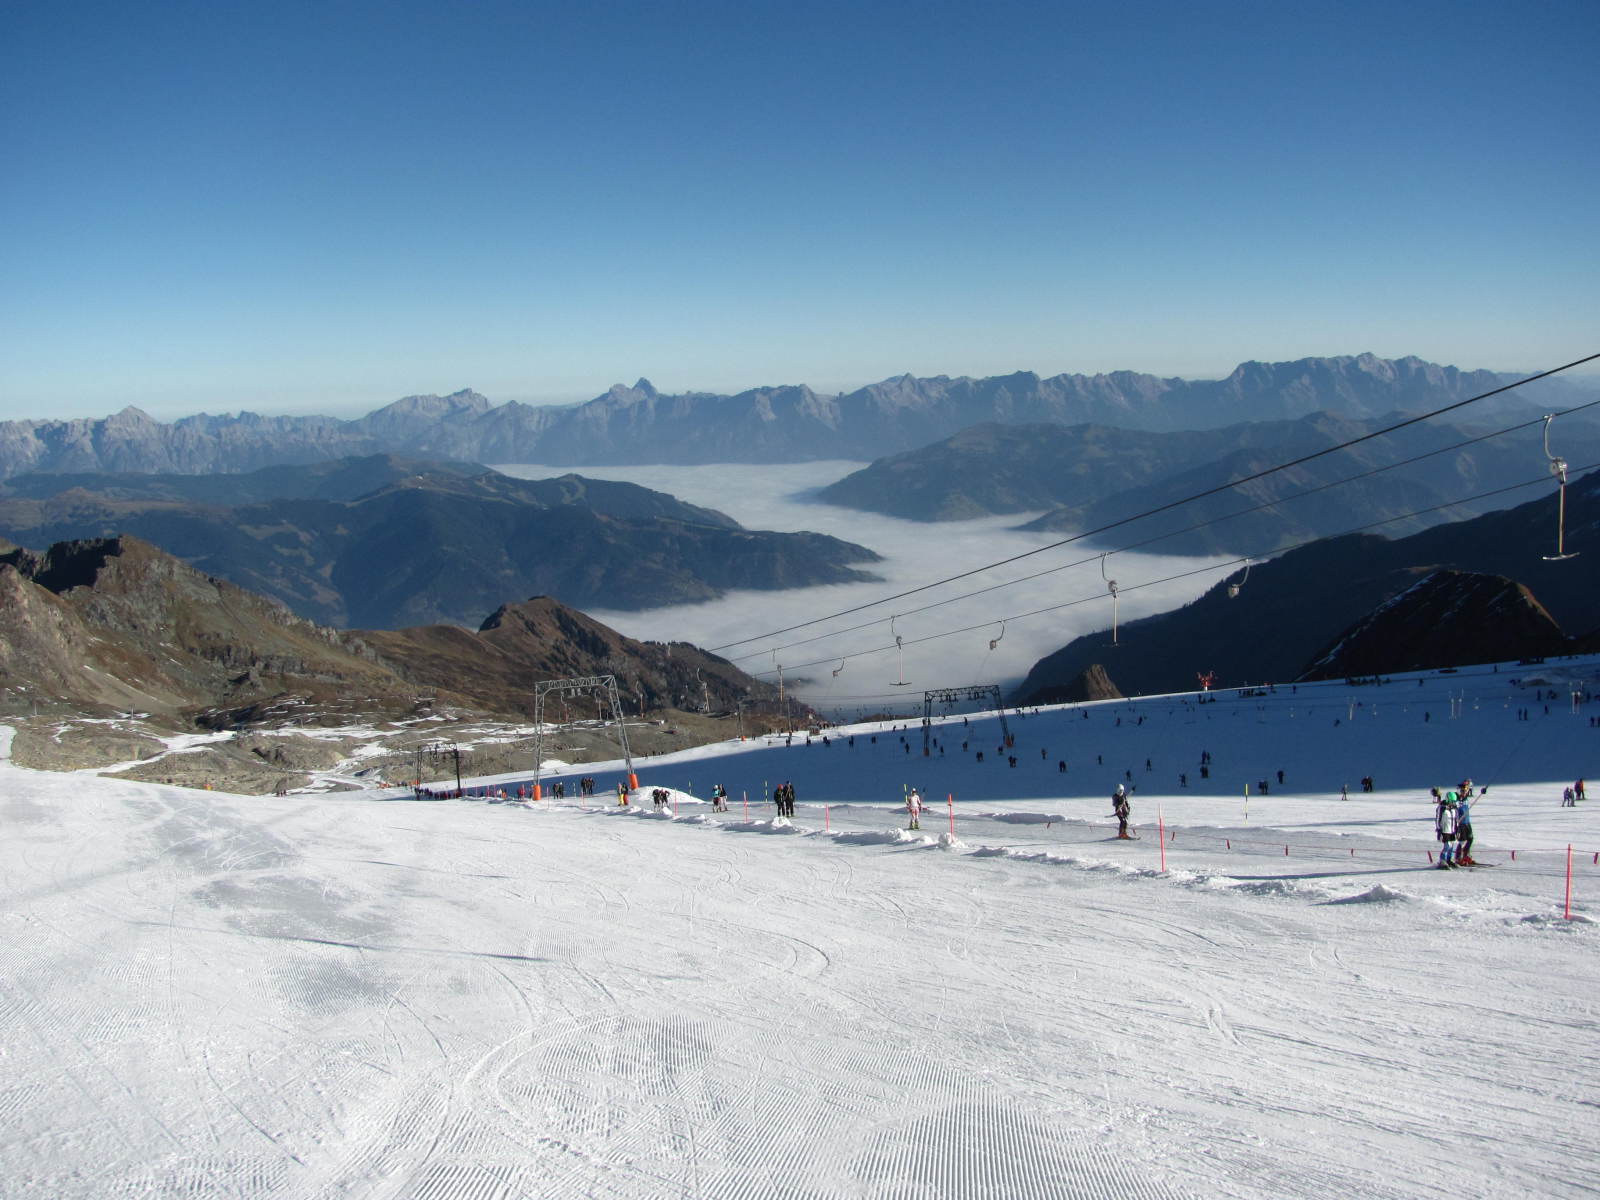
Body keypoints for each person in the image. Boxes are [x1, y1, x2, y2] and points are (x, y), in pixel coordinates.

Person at [1455, 780, 1477, 865]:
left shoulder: (1466, 798)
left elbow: (1467, 784)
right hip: (1460, 823)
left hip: (1467, 822)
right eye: (1462, 791)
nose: (1464, 793)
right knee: (1462, 841)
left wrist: (1483, 792)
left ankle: (1466, 856)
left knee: (1470, 839)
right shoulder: (1456, 799)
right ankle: (1458, 858)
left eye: (1465, 791)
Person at [1435, 790, 1458, 868]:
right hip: (1445, 830)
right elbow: (1438, 819)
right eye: (1452, 801)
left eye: (1454, 801)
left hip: (1452, 830)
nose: (1453, 803)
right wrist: (1439, 830)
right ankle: (1442, 860)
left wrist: (1457, 829)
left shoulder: (1454, 808)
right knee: (1447, 845)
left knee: (1451, 845)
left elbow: (1456, 819)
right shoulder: (1442, 808)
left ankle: (1449, 859)